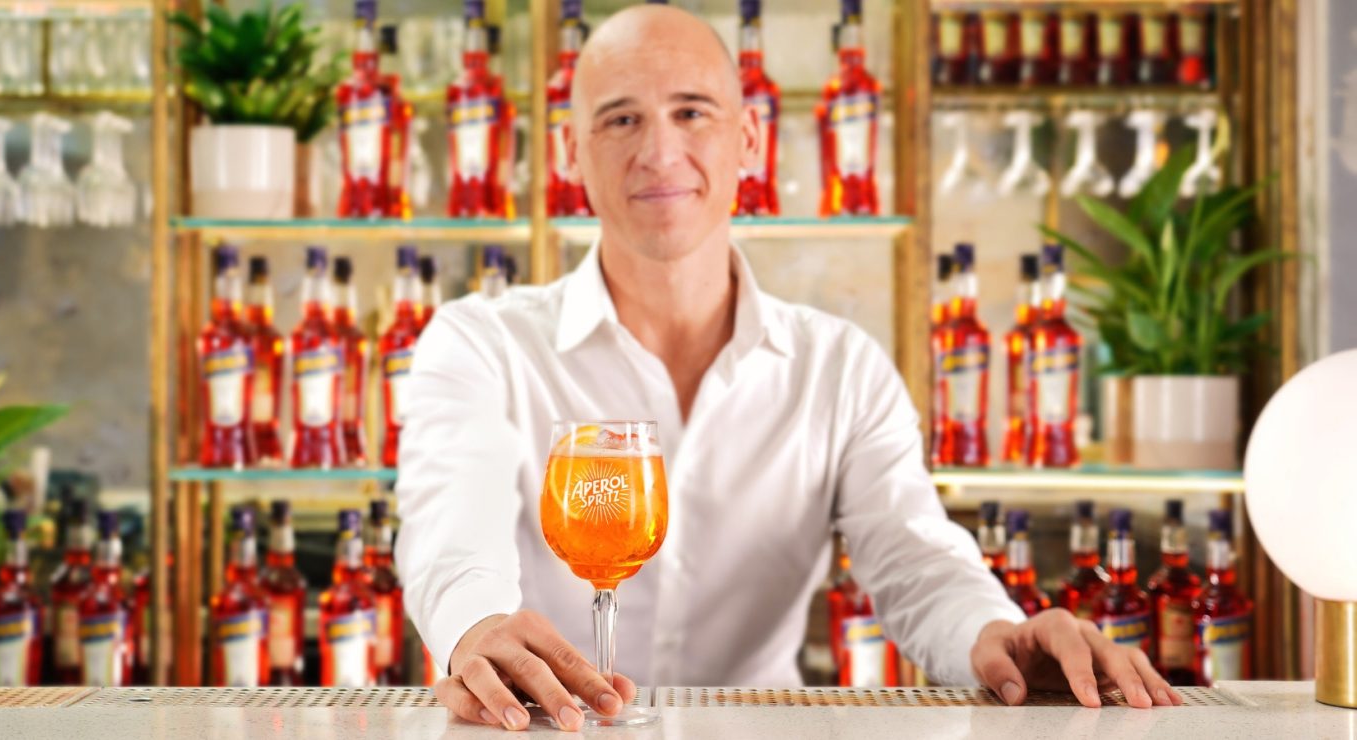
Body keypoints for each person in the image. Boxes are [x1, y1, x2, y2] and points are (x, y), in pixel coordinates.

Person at [395, 5, 1178, 732]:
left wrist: (995, 633)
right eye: (621, 118)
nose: (659, 152)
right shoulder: (480, 345)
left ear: (749, 140)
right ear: (571, 153)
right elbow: (450, 531)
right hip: (545, 730)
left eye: (692, 113)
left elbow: (913, 553)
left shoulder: (840, 368)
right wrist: (476, 626)